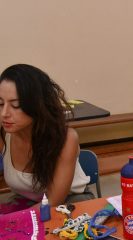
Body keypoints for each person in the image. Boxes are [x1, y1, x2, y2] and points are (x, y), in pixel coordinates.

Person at [0, 64, 93, 208]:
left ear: (37, 105)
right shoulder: (4, 133)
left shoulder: (66, 138)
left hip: (69, 203)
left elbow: (53, 202)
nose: (4, 113)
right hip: (25, 201)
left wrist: (16, 220)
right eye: (0, 103)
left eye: (16, 105)